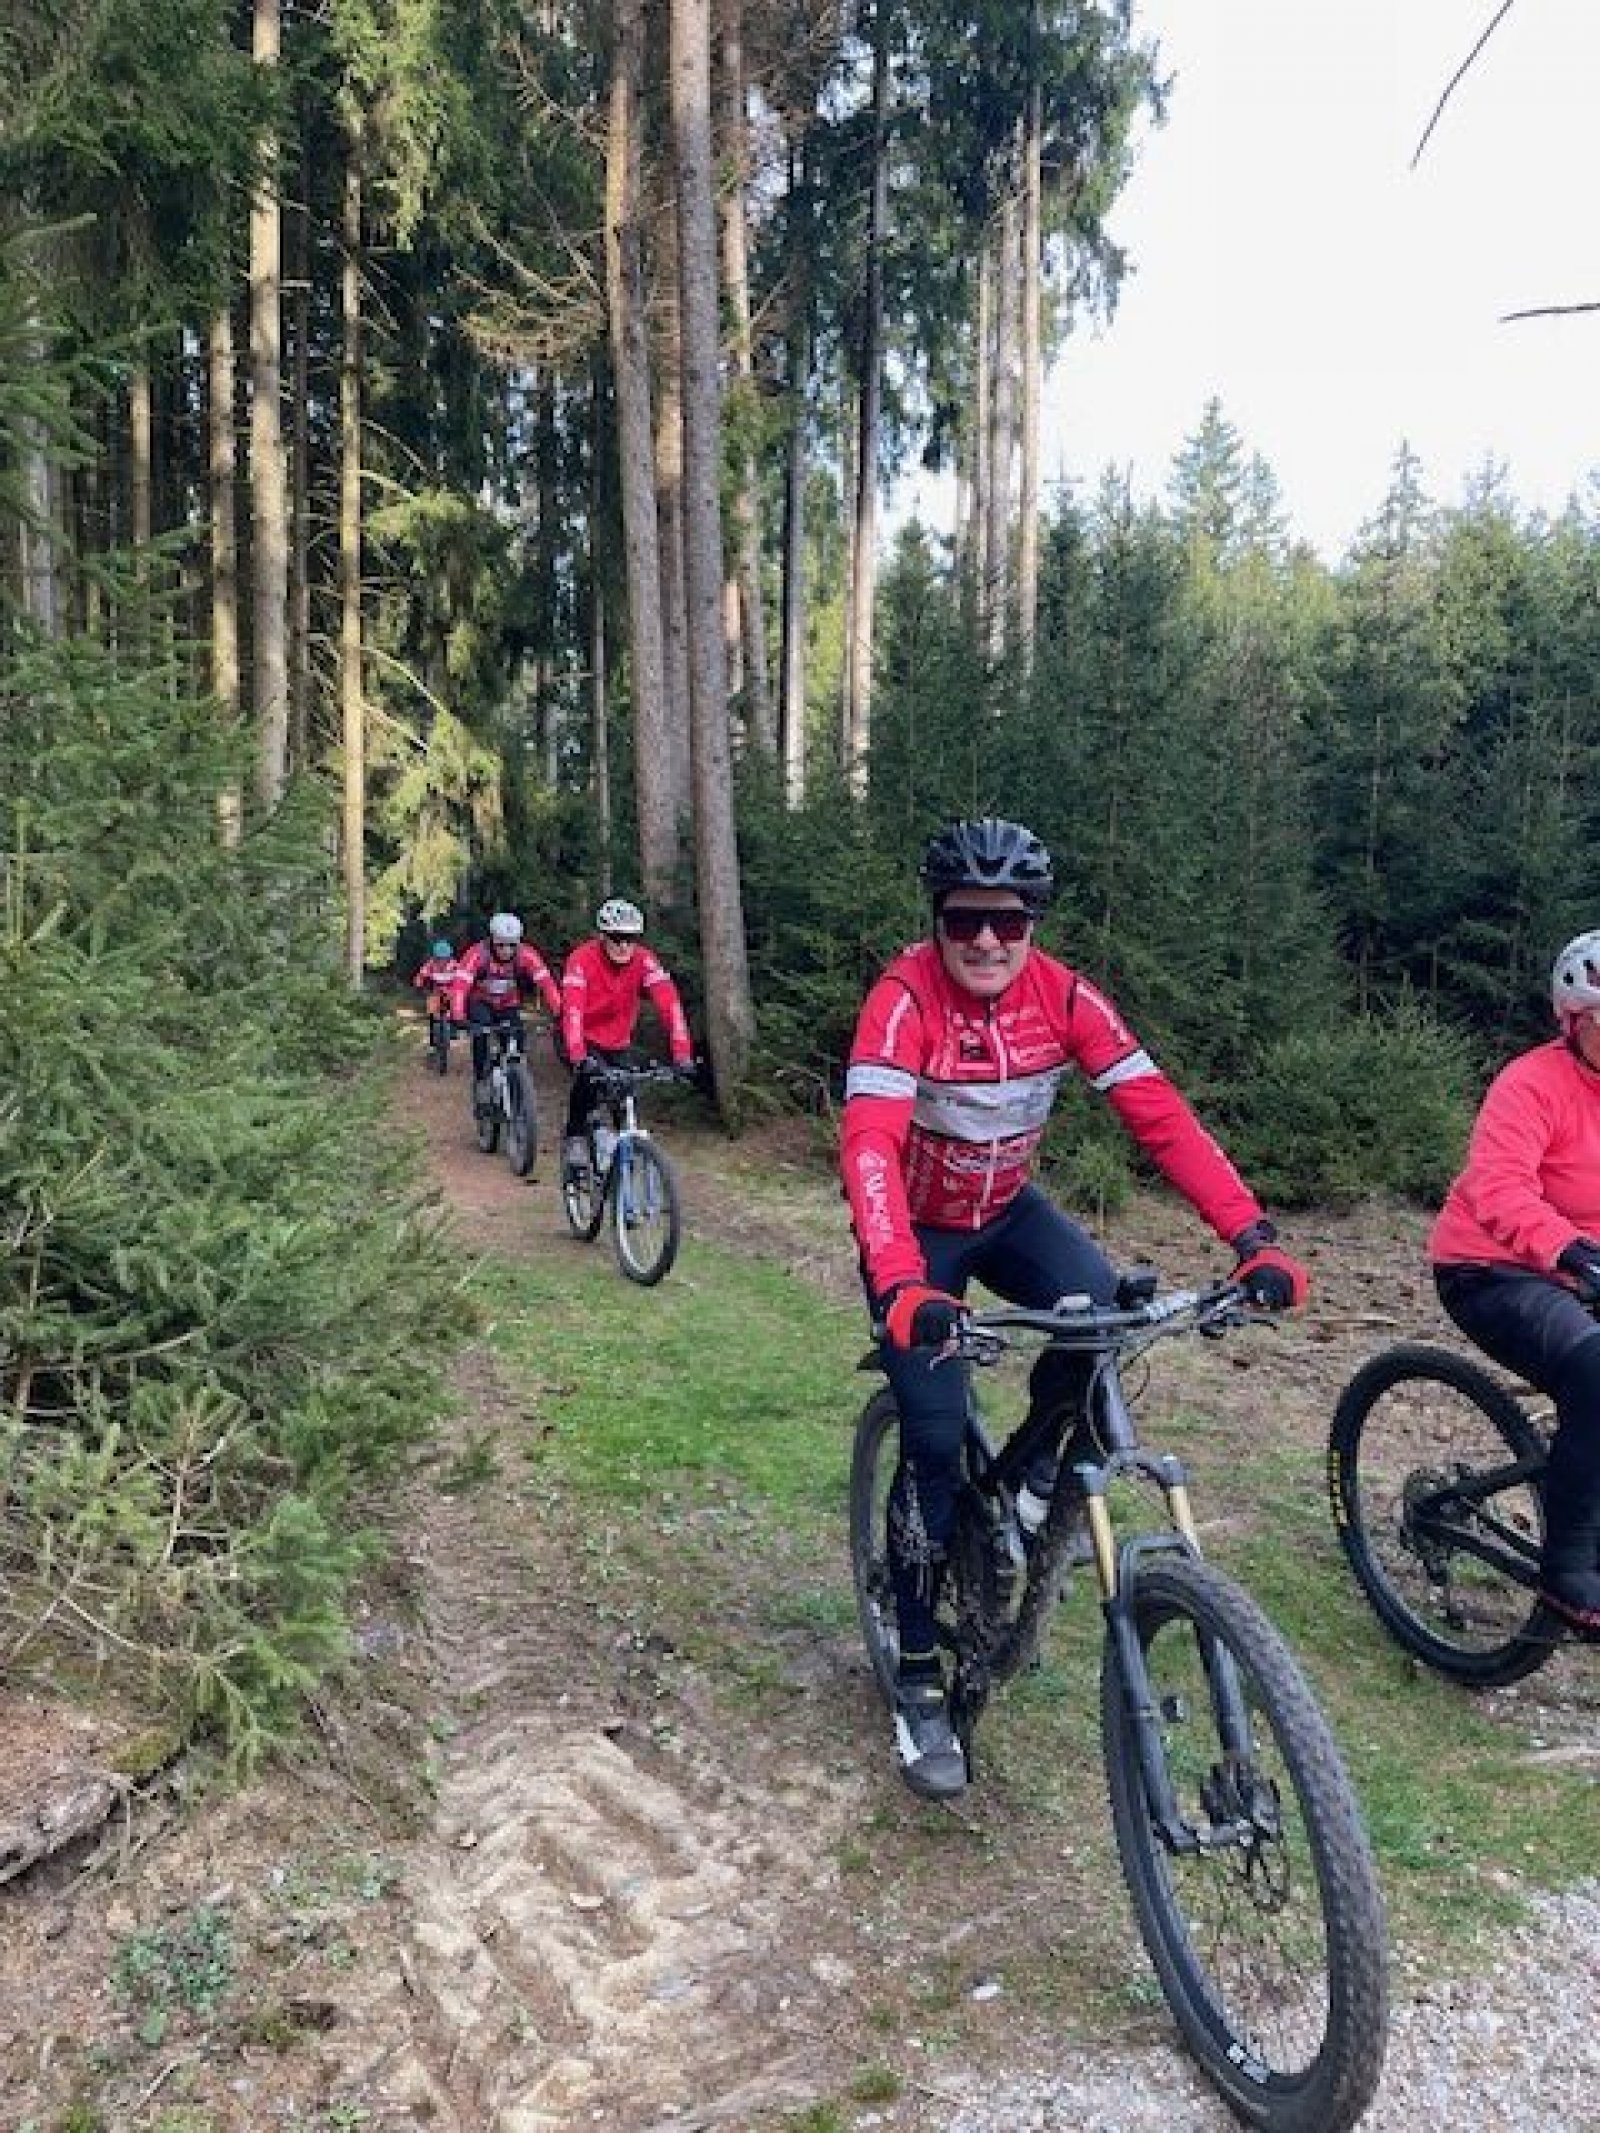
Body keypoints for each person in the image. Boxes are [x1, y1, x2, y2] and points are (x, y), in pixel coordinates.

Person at [839, 817, 1309, 1801]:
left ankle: (1024, 1488)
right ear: (936, 919)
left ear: (1033, 925)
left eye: (1008, 921)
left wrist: (1251, 1235)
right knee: (932, 1441)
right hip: (918, 1234)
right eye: (964, 918)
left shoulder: (1064, 998)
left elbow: (1161, 1118)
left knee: (1100, 1324)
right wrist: (900, 1283)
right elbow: (871, 1145)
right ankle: (918, 1673)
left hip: (1009, 1213)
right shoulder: (901, 1001)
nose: (986, 940)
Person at [1430, 929, 1600, 1641]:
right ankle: (1566, 1567)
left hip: (1579, 1270)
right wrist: (1571, 1250)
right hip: (1491, 1267)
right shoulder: (1531, 1083)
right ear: (1574, 1019)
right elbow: (1498, 1186)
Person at [560, 898, 695, 1177]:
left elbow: (669, 1003)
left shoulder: (644, 960)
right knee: (587, 1085)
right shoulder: (581, 960)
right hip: (581, 1036)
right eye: (616, 938)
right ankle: (575, 1138)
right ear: (602, 936)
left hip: (618, 1041)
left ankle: (621, 1174)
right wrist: (578, 1055)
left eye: (630, 938)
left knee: (626, 1100)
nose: (624, 945)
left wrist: (682, 1053)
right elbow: (572, 1010)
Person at [449, 912, 562, 1108]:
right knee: (481, 1037)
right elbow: (460, 986)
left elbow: (546, 983)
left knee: (516, 1041)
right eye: (501, 945)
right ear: (492, 940)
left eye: (512, 945)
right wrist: (458, 1015)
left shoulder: (526, 954)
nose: (506, 950)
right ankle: (481, 1080)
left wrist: (559, 1012)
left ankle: (517, 1082)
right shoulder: (477, 954)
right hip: (481, 1003)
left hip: (508, 1004)